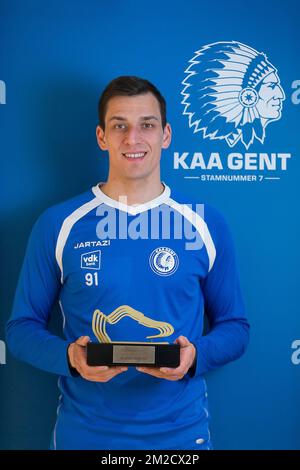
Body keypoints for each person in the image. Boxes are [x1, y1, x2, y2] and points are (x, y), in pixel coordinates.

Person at [6, 76, 250, 450]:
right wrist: (69, 357)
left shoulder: (204, 222)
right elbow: (21, 329)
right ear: (102, 136)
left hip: (180, 435)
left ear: (166, 135)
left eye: (147, 125)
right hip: (85, 434)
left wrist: (196, 355)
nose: (133, 139)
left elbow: (235, 327)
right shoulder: (59, 223)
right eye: (119, 125)